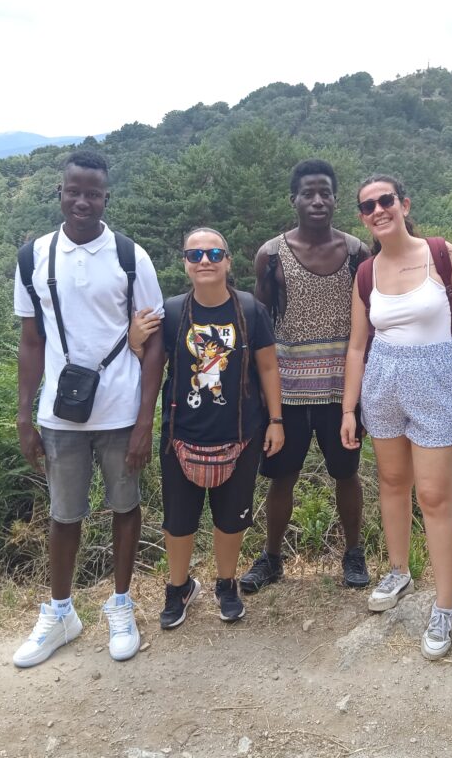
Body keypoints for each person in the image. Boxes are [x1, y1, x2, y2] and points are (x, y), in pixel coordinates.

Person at [340, 173, 452, 660]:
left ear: (405, 204)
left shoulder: (440, 253)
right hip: (382, 384)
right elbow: (356, 346)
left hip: (437, 381)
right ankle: (399, 570)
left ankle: (445, 605)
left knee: (435, 496)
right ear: (363, 217)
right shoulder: (366, 273)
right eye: (368, 206)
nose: (378, 210)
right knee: (392, 482)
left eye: (386, 200)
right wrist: (349, 409)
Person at [12, 150, 164, 668]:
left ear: (105, 197)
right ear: (60, 192)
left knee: (126, 506)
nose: (82, 200)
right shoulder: (33, 256)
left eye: (92, 193)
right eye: (73, 190)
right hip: (61, 414)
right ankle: (60, 613)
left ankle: (120, 603)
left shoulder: (129, 256)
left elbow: (156, 339)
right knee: (63, 514)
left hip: (120, 410)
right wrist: (23, 415)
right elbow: (31, 342)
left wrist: (146, 420)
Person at [129, 227, 285, 628]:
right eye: (195, 255)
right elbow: (150, 366)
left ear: (228, 261)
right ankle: (178, 587)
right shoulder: (174, 312)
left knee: (231, 519)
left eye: (214, 254)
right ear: (184, 263)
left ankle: (226, 583)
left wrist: (276, 420)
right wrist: (133, 342)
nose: (205, 262)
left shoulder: (250, 311)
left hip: (241, 433)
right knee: (178, 521)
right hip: (181, 433)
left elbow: (268, 367)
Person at [241, 159, 371, 595]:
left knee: (346, 473)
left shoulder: (356, 253)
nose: (318, 201)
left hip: (342, 388)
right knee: (282, 475)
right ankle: (272, 556)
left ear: (336, 198)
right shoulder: (271, 254)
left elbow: (372, 318)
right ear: (293, 199)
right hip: (287, 389)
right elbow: (259, 325)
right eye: (308, 193)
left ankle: (354, 554)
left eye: (326, 193)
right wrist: (257, 390)